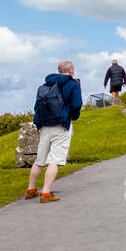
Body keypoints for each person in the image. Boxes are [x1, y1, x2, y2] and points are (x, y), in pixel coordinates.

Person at [25, 60, 82, 203]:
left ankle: (31, 190)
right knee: (55, 160)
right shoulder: (72, 84)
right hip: (61, 125)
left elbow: (36, 106)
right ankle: (45, 193)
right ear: (70, 70)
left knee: (39, 160)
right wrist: (73, 117)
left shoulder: (46, 84)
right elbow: (76, 105)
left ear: (59, 70)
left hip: (44, 126)